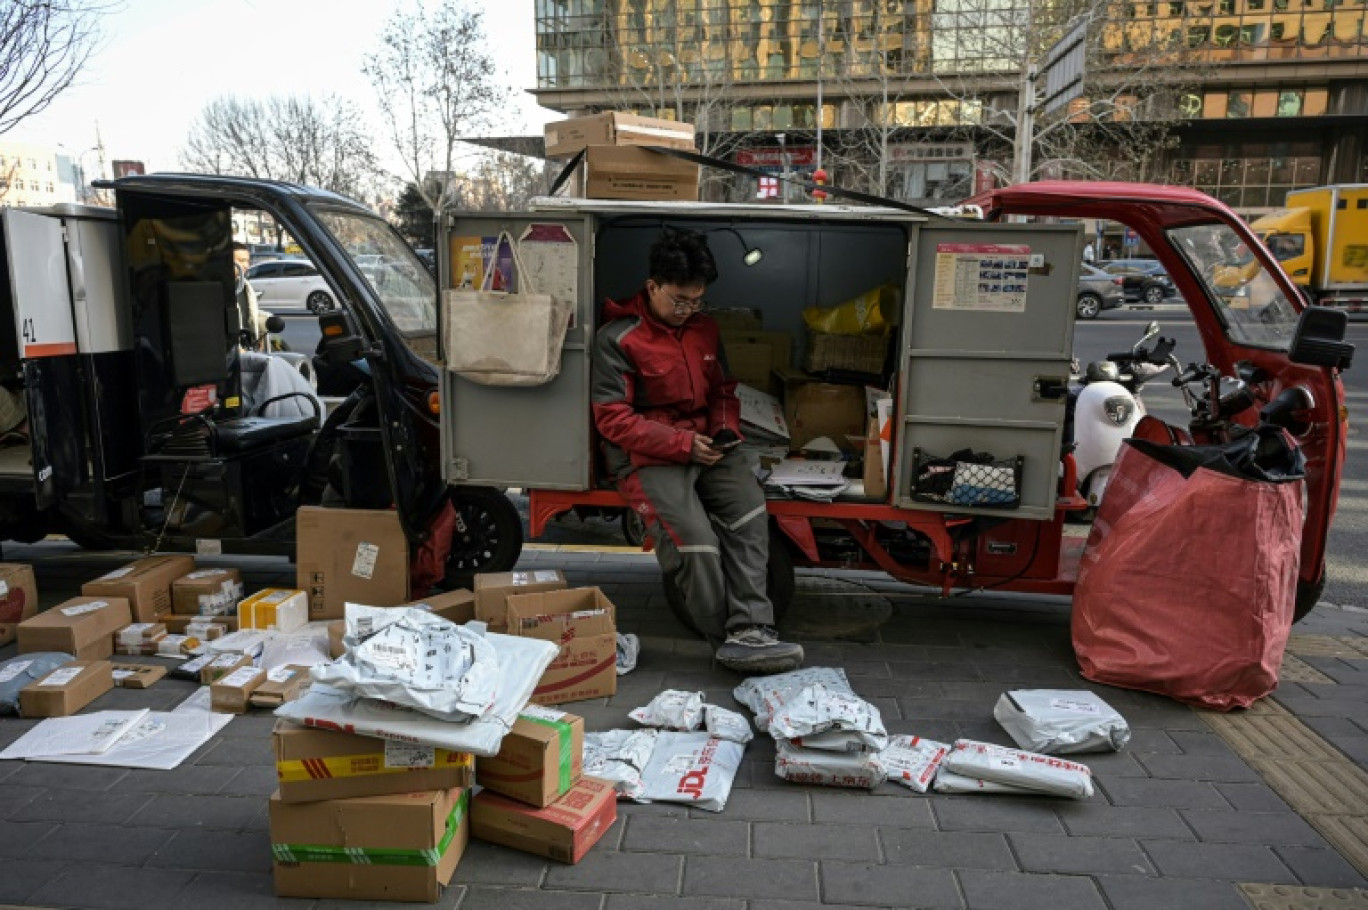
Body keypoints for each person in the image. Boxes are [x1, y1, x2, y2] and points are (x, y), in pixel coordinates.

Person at [592, 228, 803, 674]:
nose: (689, 311)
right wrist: (684, 445)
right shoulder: (618, 337)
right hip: (647, 455)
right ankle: (721, 637)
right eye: (680, 301)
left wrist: (724, 430)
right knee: (697, 545)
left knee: (749, 515)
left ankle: (754, 630)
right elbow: (613, 419)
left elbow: (724, 390)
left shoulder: (705, 329)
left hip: (709, 446)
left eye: (697, 300)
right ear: (652, 287)